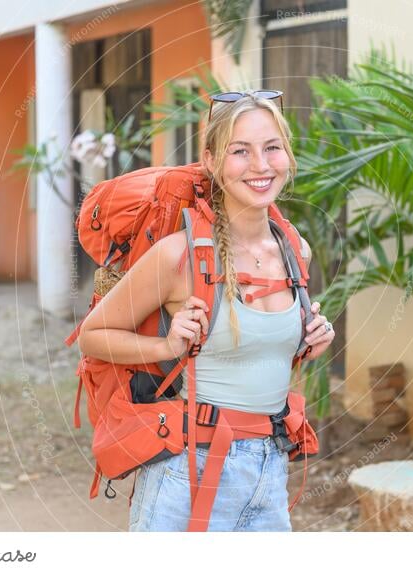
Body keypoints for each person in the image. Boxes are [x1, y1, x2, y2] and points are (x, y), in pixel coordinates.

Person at [77, 89, 335, 531]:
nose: (261, 164)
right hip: (190, 470)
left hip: (270, 469)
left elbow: (256, 355)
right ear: (213, 162)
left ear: (288, 156)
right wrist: (166, 343)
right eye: (241, 151)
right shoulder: (177, 255)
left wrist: (308, 340)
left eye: (272, 147)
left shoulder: (296, 250)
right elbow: (92, 335)